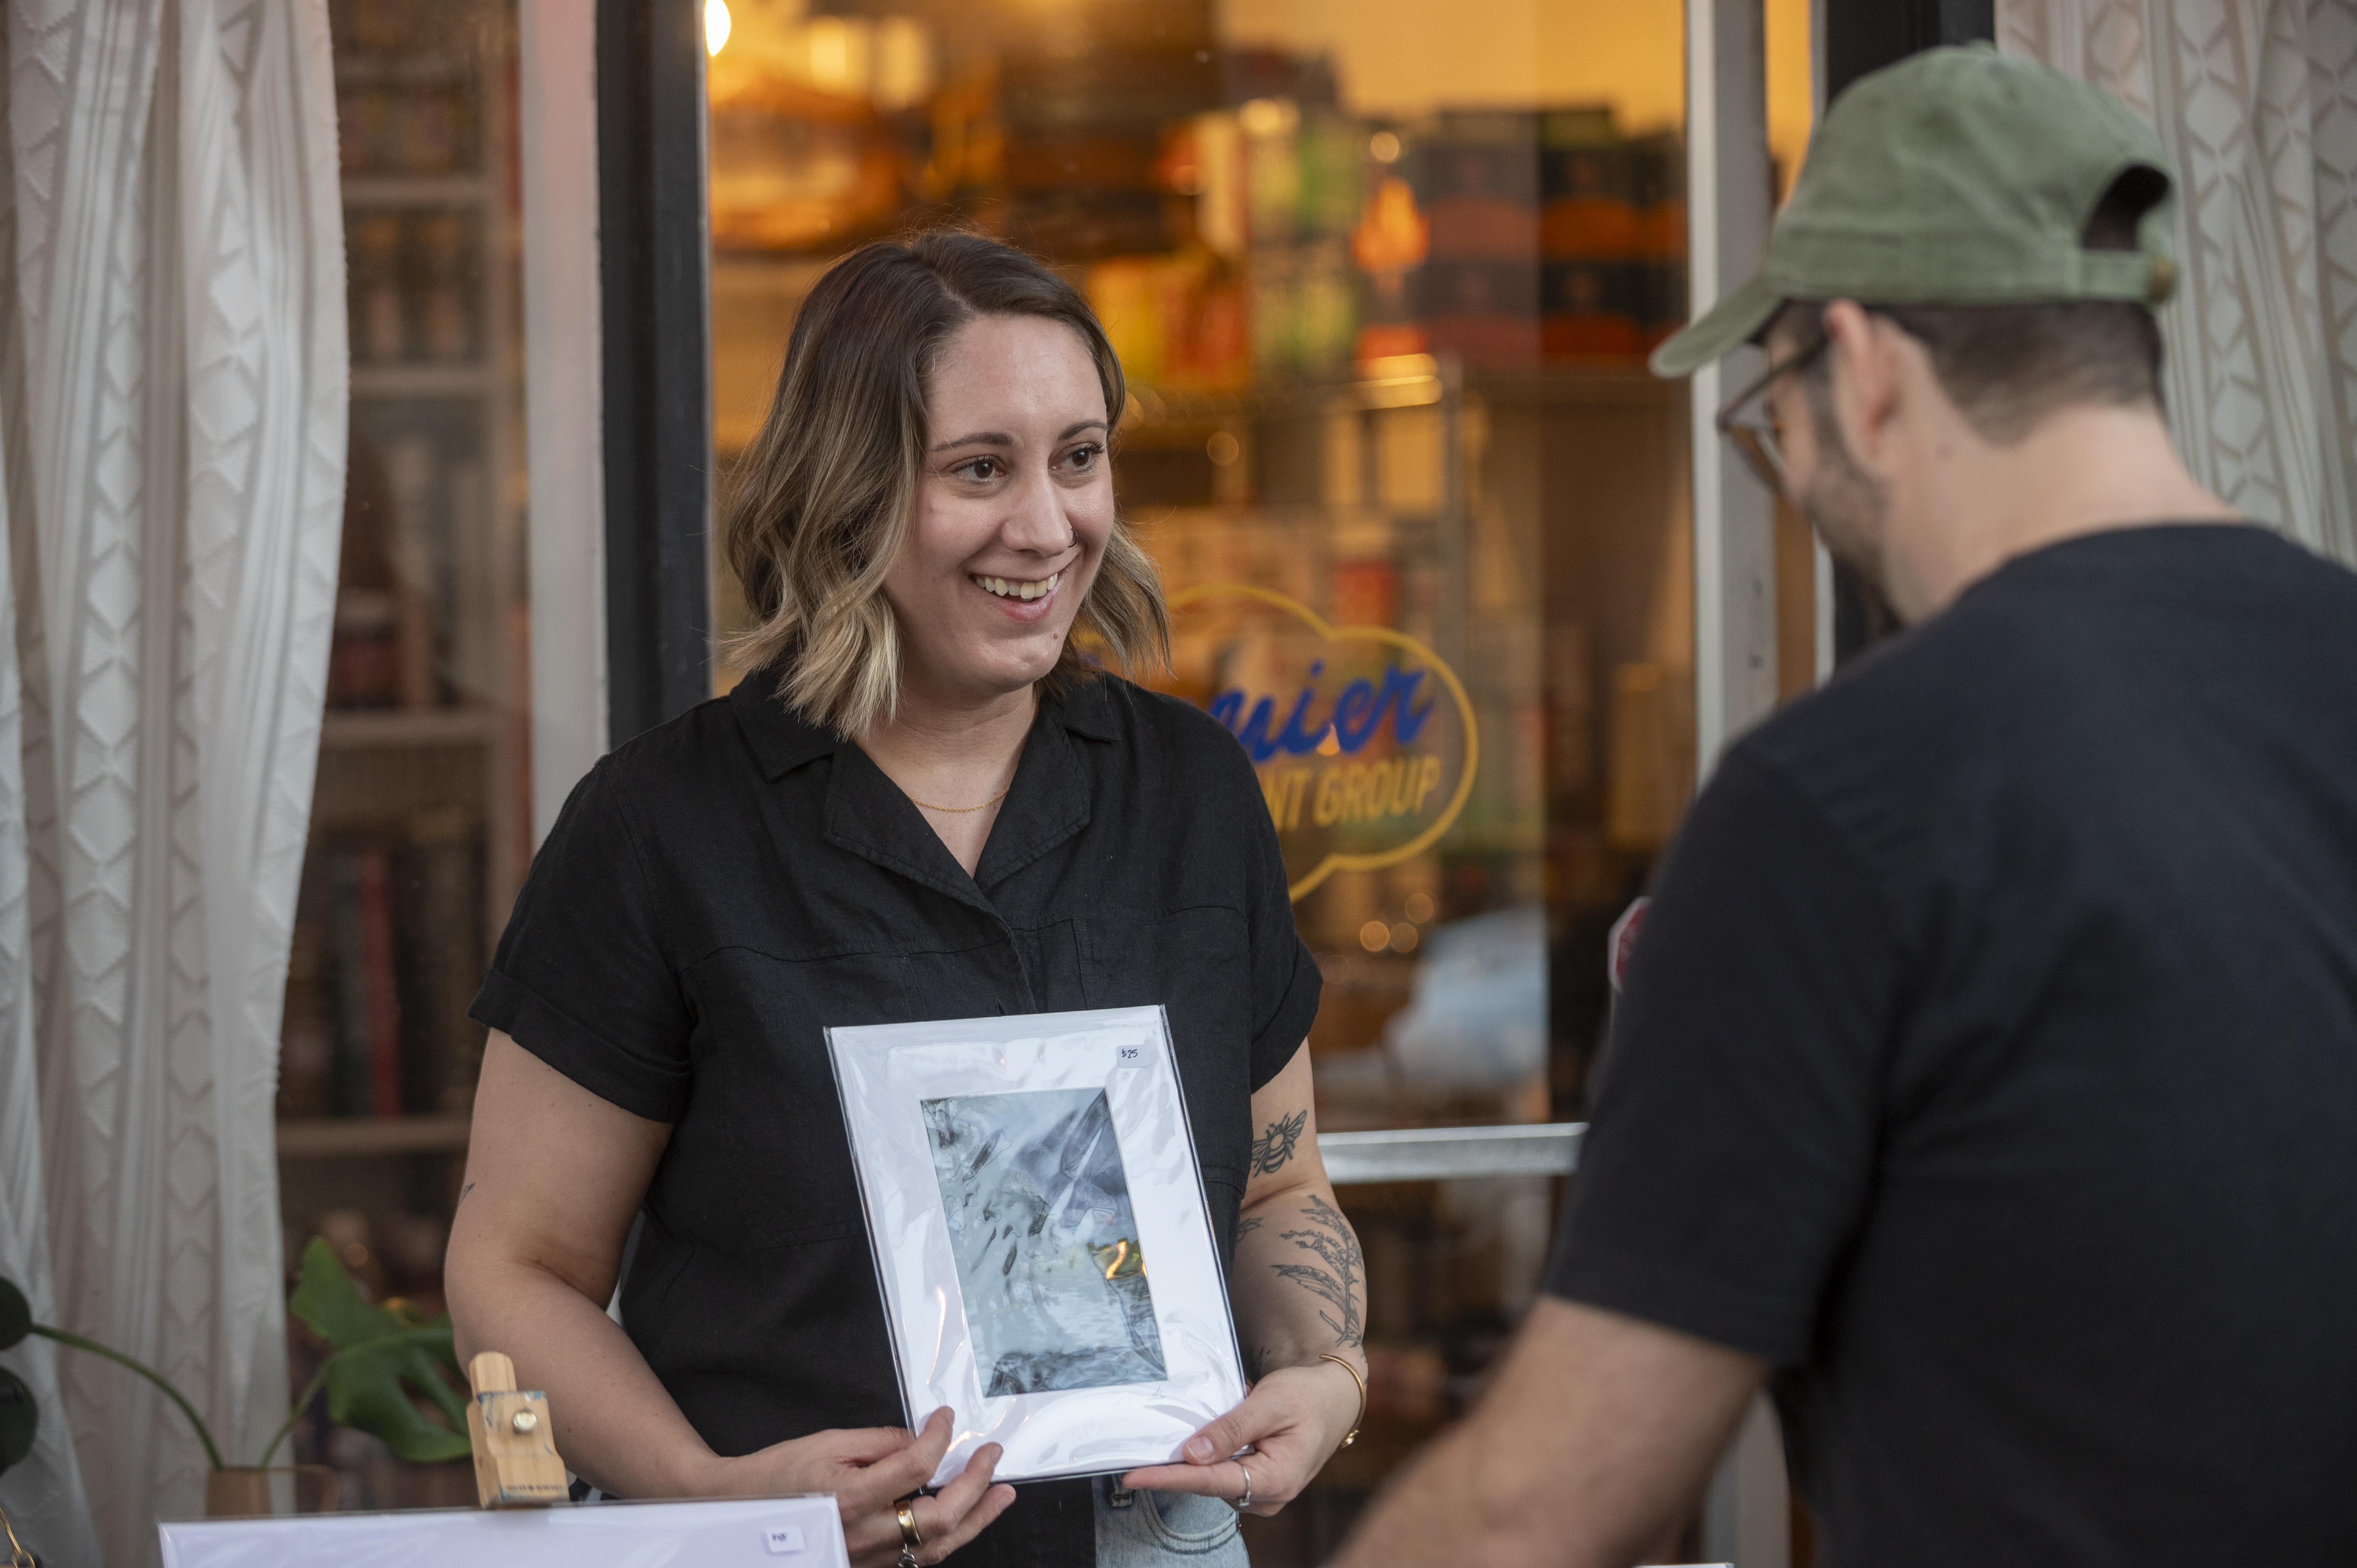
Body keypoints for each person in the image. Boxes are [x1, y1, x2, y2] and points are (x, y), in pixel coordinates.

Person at [1331, 44, 2357, 1568]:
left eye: (1776, 409)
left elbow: (1538, 1511)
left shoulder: (1837, 806)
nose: (1790, 460)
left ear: (1866, 367)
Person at [445, 231, 1368, 1568]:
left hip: (1151, 1546)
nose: (1048, 527)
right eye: (979, 468)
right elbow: (513, 1270)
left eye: (1080, 457)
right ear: (849, 492)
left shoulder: (1193, 793)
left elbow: (1283, 1197)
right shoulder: (665, 825)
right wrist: (722, 1500)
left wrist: (1329, 1380)